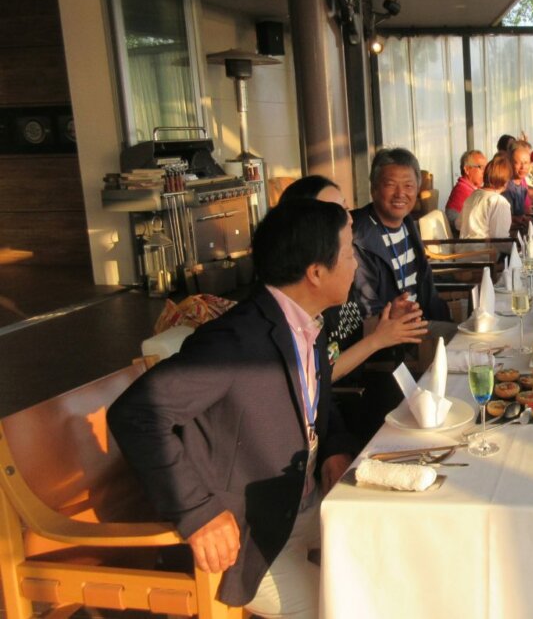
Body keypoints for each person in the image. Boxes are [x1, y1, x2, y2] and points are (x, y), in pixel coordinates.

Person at [109, 199, 359, 617]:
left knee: (393, 546)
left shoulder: (307, 322)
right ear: (316, 272)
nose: (356, 263)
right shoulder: (237, 343)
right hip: (251, 539)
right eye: (350, 252)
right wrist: (198, 513)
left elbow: (316, 403)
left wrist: (334, 446)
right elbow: (135, 413)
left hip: (301, 506)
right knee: (351, 607)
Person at [279, 175, 428, 381]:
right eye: (337, 212)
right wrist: (377, 340)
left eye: (346, 208)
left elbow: (348, 331)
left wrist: (384, 319)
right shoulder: (302, 292)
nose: (350, 219)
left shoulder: (338, 272)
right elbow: (316, 376)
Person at [352, 147, 449, 321]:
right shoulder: (358, 235)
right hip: (386, 334)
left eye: (408, 186)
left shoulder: (408, 223)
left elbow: (428, 291)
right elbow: (365, 306)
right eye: (390, 185)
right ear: (373, 189)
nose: (400, 194)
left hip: (420, 324)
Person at [460, 154, 513, 243]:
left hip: (463, 252)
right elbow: (500, 240)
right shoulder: (499, 202)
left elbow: (458, 224)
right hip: (485, 254)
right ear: (506, 182)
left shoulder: (473, 195)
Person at [444, 149, 487, 232]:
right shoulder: (462, 190)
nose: (485, 172)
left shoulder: (472, 188)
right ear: (467, 169)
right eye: (481, 167)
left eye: (486, 168)